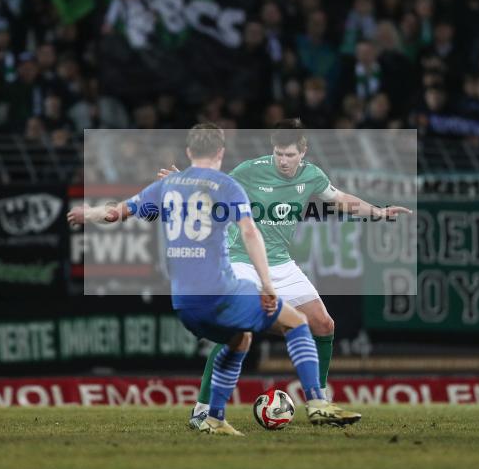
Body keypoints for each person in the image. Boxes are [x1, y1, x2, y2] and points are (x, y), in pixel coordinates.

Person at [68, 124, 361, 436]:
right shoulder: (227, 187)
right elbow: (249, 232)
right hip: (222, 290)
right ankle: (317, 402)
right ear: (220, 153)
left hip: (183, 303)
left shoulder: (168, 186)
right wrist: (268, 285)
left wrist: (88, 213)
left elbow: (115, 214)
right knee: (297, 323)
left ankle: (209, 415)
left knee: (239, 339)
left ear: (189, 152)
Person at [158, 119, 410, 429]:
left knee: (323, 324)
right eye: (279, 154)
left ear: (303, 152)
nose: (284, 161)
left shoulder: (313, 176)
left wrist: (379, 212)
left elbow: (342, 200)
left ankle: (319, 404)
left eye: (290, 155)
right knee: (238, 332)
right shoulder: (251, 170)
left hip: (281, 262)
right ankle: (202, 410)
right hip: (243, 260)